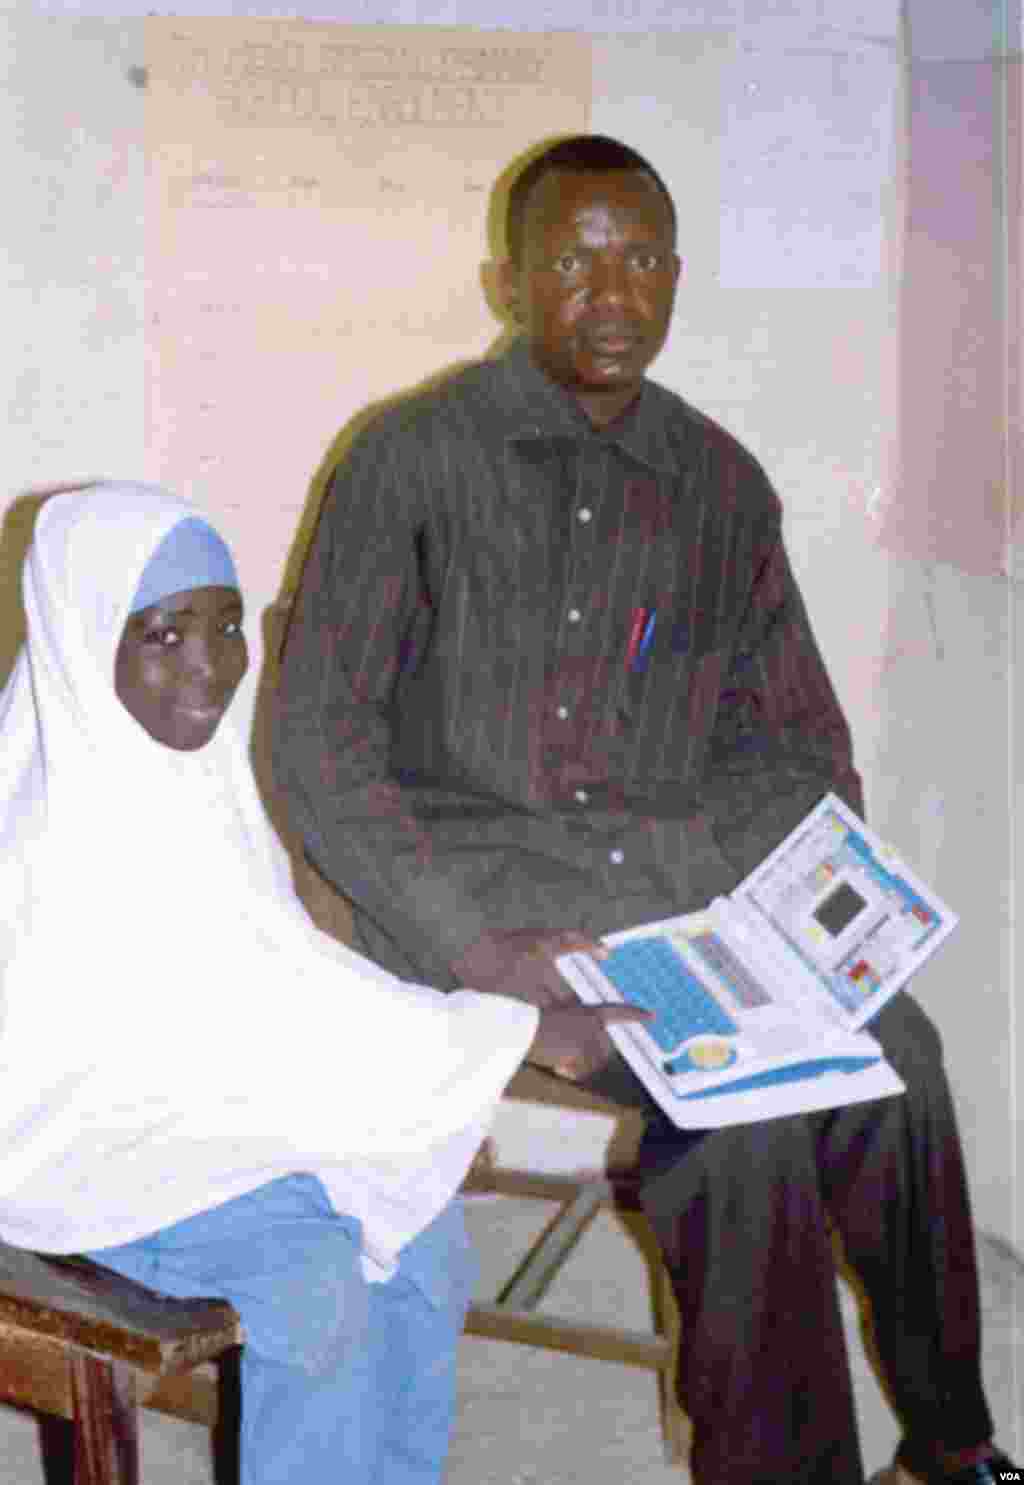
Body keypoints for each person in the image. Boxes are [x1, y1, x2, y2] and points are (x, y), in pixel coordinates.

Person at [272, 136, 1018, 1485]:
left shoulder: (723, 486)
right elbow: (316, 742)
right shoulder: (406, 460)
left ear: (678, 275)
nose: (612, 293)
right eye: (575, 261)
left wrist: (774, 917)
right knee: (738, 1124)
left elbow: (795, 744)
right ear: (510, 281)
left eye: (642, 260)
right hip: (486, 906)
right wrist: (479, 948)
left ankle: (954, 1446)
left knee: (898, 1054)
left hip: (680, 902)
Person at [0, 480, 644, 1485]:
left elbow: (282, 982)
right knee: (316, 1285)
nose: (209, 669)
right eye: (163, 635)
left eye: (223, 625)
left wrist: (480, 1035)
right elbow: (185, 1041)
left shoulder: (193, 783)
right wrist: (510, 1035)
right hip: (86, 1156)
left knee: (421, 1227)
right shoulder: (48, 837)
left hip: (207, 1110)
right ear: (86, 640)